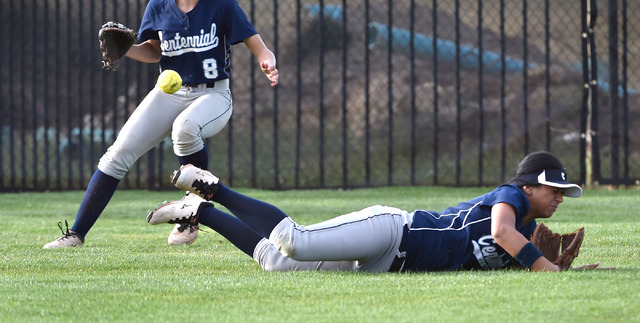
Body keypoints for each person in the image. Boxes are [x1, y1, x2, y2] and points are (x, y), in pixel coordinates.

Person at [44, 0, 279, 249]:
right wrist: (127, 50)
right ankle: (76, 233)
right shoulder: (159, 4)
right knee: (117, 155)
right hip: (168, 92)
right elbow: (153, 51)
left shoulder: (222, 6)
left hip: (213, 95)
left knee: (185, 129)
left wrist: (268, 63)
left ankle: (190, 213)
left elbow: (259, 47)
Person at [146, 151, 608, 272]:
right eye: (555, 189)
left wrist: (562, 266)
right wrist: (544, 268)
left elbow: (509, 247)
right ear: (529, 184)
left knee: (277, 263)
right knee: (296, 240)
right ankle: (214, 189)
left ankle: (200, 213)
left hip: (387, 265)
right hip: (393, 233)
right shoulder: (509, 197)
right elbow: (503, 234)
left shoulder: (527, 225)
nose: (560, 198)